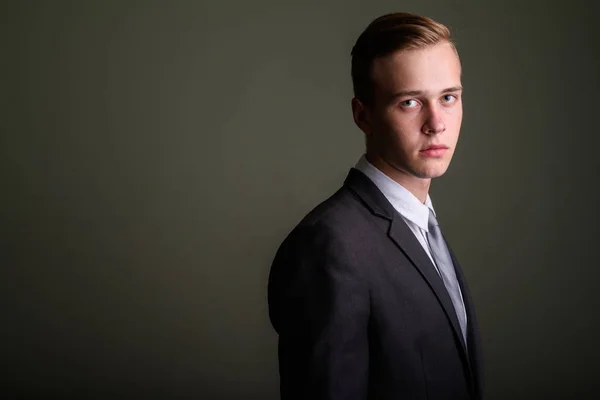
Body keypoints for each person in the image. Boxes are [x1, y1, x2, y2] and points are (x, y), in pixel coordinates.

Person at [268, 12, 483, 400]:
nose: (437, 123)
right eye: (410, 102)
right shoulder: (329, 247)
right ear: (362, 115)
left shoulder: (421, 226)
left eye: (449, 97)